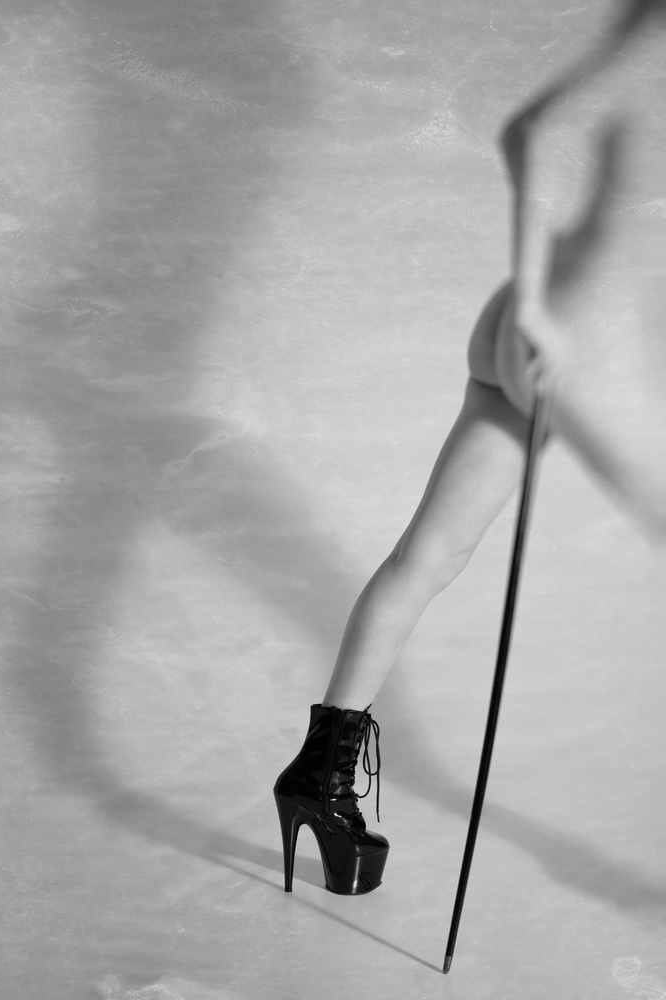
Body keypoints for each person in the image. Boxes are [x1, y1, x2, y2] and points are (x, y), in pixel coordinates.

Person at [274, 0, 666, 896]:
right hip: (578, 337)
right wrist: (536, 304)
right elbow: (534, 132)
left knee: (427, 559)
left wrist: (527, 300)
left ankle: (318, 780)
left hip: (544, 327)